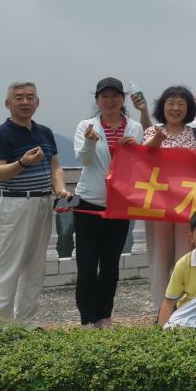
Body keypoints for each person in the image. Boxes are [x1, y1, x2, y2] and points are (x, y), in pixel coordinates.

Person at [0, 81, 72, 326]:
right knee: (7, 265)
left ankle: (27, 322)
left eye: (30, 97)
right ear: (8, 103)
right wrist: (23, 163)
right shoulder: (1, 134)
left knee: (35, 267)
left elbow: (55, 167)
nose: (25, 102)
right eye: (19, 97)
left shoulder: (45, 132)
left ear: (38, 102)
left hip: (43, 202)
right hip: (13, 203)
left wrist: (60, 189)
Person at [71, 77, 144, 328]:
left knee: (111, 264)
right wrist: (90, 141)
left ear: (123, 99)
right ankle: (87, 318)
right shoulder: (86, 126)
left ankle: (104, 316)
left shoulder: (134, 128)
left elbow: (141, 164)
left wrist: (134, 149)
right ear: (97, 100)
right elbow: (84, 160)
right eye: (105, 96)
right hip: (89, 202)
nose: (110, 100)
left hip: (120, 204)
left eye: (115, 96)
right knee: (87, 263)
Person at [144, 85, 196, 306]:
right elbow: (141, 160)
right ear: (162, 107)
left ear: (188, 108)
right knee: (160, 257)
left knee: (185, 255)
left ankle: (183, 306)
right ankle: (162, 307)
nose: (175, 108)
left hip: (186, 204)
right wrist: (155, 142)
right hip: (157, 203)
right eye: (171, 103)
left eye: (181, 103)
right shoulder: (152, 132)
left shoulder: (195, 134)